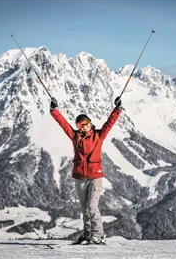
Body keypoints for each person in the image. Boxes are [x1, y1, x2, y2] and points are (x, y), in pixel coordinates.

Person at [50, 96, 123, 245]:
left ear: (90, 123)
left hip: (95, 176)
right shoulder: (75, 137)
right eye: (80, 124)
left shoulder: (98, 135)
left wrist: (117, 109)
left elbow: (109, 123)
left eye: (86, 123)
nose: (84, 126)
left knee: (92, 206)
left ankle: (98, 235)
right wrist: (54, 110)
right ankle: (88, 234)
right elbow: (63, 124)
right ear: (78, 126)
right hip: (80, 176)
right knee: (84, 208)